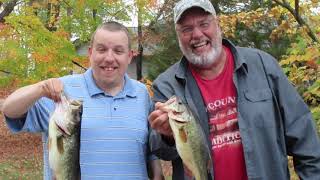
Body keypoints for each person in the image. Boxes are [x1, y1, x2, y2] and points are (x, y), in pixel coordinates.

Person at [148, 0, 320, 179]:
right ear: (178, 36)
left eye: (204, 24)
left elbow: (304, 136)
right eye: (186, 29)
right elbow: (161, 151)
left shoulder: (262, 65)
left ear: (218, 24)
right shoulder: (167, 85)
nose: (197, 34)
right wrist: (167, 136)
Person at [2, 21, 164, 180]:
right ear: (90, 53)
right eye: (101, 49)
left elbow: (148, 144)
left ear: (129, 56)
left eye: (118, 51)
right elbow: (10, 110)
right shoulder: (60, 90)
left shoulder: (142, 93)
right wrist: (40, 88)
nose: (109, 58)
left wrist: (157, 170)